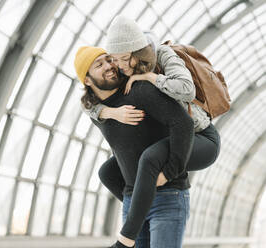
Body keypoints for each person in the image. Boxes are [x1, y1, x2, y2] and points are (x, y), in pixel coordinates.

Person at [76, 16, 221, 248]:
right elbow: (89, 105)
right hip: (146, 193)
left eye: (114, 60)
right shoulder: (120, 82)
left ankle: (125, 239)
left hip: (201, 134)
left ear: (135, 51)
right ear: (87, 79)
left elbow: (185, 102)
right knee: (107, 171)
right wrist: (109, 113)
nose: (114, 66)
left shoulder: (157, 62)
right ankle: (138, 207)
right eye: (105, 62)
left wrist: (150, 77)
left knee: (151, 157)